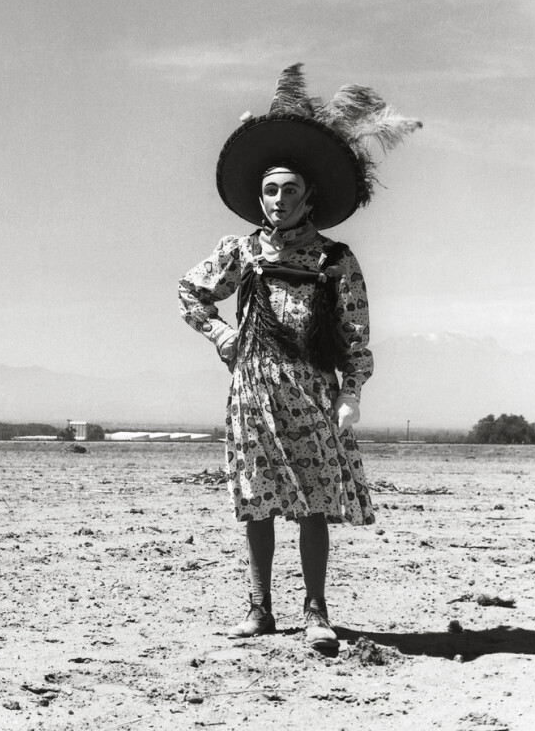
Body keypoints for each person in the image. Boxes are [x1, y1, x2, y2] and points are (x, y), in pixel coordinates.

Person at [178, 63, 420, 650]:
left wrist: (349, 392)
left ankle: (316, 611)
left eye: (289, 189)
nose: (278, 200)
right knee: (256, 499)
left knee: (313, 501)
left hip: (312, 392)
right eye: (269, 189)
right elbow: (191, 292)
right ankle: (260, 608)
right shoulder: (239, 252)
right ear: (257, 197)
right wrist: (223, 337)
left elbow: (356, 335)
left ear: (309, 195)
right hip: (254, 390)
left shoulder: (335, 260)